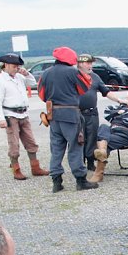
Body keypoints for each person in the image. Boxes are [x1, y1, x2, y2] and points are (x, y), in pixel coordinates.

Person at [38, 46, 95, 192]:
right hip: (70, 115)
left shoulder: (46, 73)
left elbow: (42, 94)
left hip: (53, 116)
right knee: (76, 146)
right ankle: (81, 180)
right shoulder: (72, 72)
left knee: (56, 149)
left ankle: (56, 182)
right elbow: (84, 87)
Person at [0, 53, 50, 181]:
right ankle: (16, 168)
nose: (16, 68)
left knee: (31, 141)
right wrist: (0, 119)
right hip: (10, 115)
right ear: (6, 65)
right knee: (14, 144)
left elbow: (32, 82)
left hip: (23, 113)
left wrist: (26, 73)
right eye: (14, 66)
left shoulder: (19, 77)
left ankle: (35, 167)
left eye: (18, 66)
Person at [76, 54, 122, 174]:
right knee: (79, 138)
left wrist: (119, 100)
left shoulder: (95, 77)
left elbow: (105, 91)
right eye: (88, 63)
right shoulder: (74, 76)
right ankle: (79, 163)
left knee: (92, 138)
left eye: (91, 63)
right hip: (77, 113)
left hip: (92, 113)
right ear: (80, 64)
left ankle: (91, 162)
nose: (90, 65)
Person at [89, 89, 128, 183]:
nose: (127, 98)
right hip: (112, 131)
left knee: (103, 141)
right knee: (103, 127)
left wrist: (119, 112)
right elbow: (107, 112)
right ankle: (102, 151)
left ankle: (98, 173)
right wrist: (121, 108)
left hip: (125, 134)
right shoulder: (123, 107)